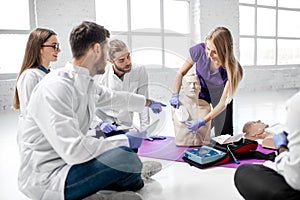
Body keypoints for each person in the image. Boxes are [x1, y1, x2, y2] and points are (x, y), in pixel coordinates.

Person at [17, 21, 166, 200]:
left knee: (126, 155)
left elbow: (113, 97)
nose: (107, 58)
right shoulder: (56, 86)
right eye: (106, 51)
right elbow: (73, 150)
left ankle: (115, 185)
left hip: (69, 163)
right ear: (96, 49)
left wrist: (148, 103)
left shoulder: (84, 81)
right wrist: (125, 140)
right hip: (50, 176)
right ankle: (121, 184)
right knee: (125, 157)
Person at [169, 26, 243, 137]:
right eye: (208, 49)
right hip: (201, 93)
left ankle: (210, 123)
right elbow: (181, 73)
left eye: (214, 52)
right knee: (194, 134)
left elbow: (223, 103)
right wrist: (175, 94)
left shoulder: (233, 70)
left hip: (221, 97)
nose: (209, 54)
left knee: (224, 135)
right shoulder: (199, 50)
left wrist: (203, 121)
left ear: (224, 52)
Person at [234, 91, 300, 200]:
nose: (259, 120)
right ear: (253, 135)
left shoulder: (296, 105)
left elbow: (296, 177)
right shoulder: (268, 139)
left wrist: (282, 149)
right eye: (255, 122)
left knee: (245, 172)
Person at [94, 39, 150, 137]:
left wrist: (145, 131)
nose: (128, 62)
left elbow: (143, 102)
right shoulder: (100, 75)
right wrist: (99, 123)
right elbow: (89, 105)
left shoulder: (139, 71)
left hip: (125, 125)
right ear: (110, 61)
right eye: (121, 60)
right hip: (104, 122)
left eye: (128, 56)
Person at [13, 27, 60, 116]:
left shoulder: (52, 73)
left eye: (58, 46)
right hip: (37, 129)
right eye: (54, 46)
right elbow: (30, 113)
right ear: (39, 48)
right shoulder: (30, 76)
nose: (58, 50)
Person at [171, 74, 211, 146]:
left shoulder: (206, 107)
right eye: (189, 84)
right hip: (181, 146)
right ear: (182, 88)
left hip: (203, 148)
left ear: (200, 88)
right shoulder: (176, 108)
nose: (192, 87)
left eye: (195, 83)